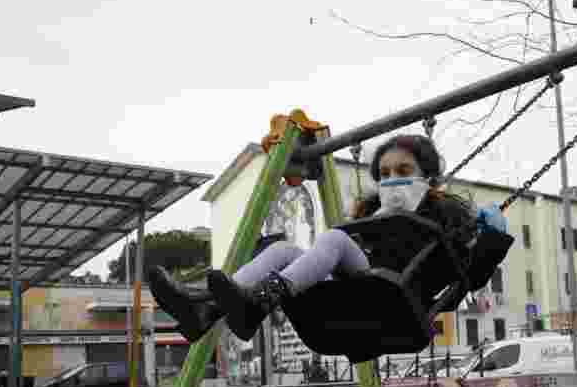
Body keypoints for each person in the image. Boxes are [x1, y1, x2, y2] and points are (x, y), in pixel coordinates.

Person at [150, 133, 509, 344]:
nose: (392, 180)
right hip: (358, 286)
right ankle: (204, 306)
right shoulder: (370, 214)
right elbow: (342, 255)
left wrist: (493, 236)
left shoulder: (446, 216)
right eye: (384, 174)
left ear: (428, 178)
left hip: (399, 294)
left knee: (335, 240)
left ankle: (257, 302)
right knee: (283, 249)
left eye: (403, 171)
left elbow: (469, 276)